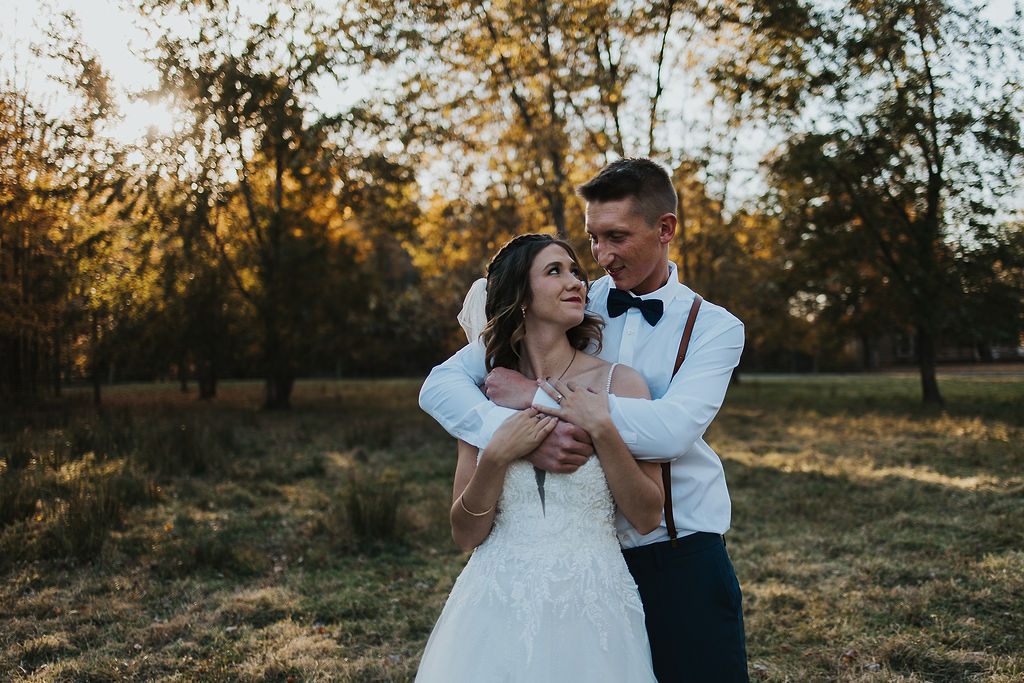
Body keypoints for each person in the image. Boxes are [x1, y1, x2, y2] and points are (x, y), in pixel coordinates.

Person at [419, 158, 749, 681]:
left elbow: (672, 430)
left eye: (616, 237)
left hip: (677, 553)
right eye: (593, 238)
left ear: (665, 230)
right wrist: (514, 441)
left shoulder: (713, 328)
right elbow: (441, 385)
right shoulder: (570, 301)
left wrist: (539, 402)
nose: (600, 256)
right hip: (574, 562)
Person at [415, 234, 661, 683]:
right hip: (496, 603)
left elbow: (646, 516)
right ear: (521, 300)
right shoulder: (485, 400)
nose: (576, 282)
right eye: (555, 271)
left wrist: (602, 427)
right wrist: (496, 457)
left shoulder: (620, 385)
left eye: (575, 270)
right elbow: (465, 533)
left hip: (595, 602)